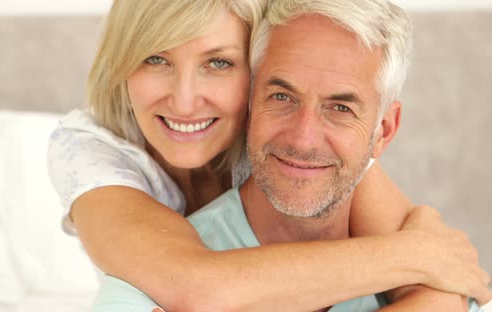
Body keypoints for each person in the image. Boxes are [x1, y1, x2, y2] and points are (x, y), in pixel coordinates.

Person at [47, 0, 491, 310]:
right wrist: (415, 254)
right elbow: (194, 289)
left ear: (254, 73)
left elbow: (441, 294)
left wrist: (424, 259)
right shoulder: (93, 151)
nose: (184, 101)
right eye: (155, 59)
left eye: (218, 62)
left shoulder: (302, 141)